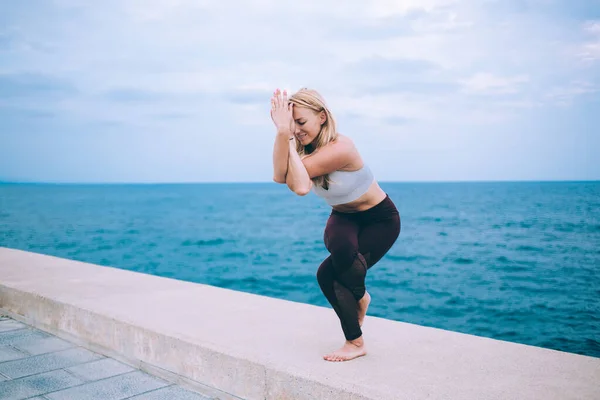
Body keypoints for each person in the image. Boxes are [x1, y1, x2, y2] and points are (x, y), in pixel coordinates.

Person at [270, 87, 401, 362]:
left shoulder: (342, 147)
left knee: (332, 274)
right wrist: (283, 135)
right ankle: (361, 298)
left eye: (301, 122)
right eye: (291, 124)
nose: (296, 130)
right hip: (343, 217)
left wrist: (287, 139)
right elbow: (280, 176)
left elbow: (301, 185)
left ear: (322, 117)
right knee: (332, 265)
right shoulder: (302, 148)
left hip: (380, 219)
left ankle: (354, 342)